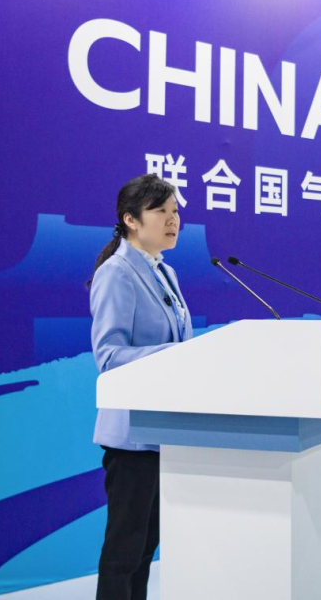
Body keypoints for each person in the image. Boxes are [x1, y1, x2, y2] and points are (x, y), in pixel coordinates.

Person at [88, 174, 192, 600]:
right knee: (123, 553)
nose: (173, 220)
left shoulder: (165, 271)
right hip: (132, 438)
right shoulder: (117, 273)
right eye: (160, 211)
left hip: (163, 432)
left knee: (145, 550)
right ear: (131, 219)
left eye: (175, 212)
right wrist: (178, 355)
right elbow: (109, 356)